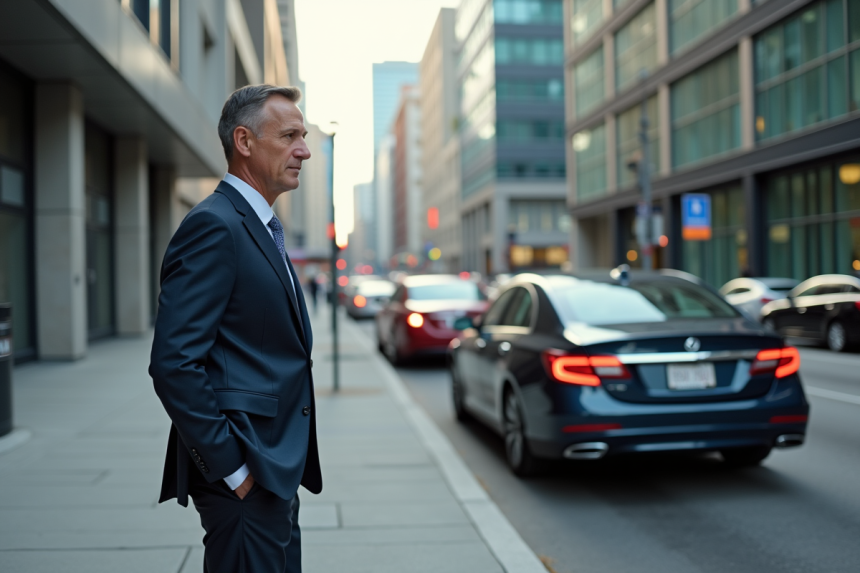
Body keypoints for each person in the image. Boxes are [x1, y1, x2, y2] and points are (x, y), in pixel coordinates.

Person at [150, 84, 321, 573]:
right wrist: (233, 469)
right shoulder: (215, 225)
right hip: (246, 469)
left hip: (274, 468)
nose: (304, 150)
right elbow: (173, 363)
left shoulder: (258, 225)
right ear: (244, 142)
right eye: (289, 136)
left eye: (304, 136)